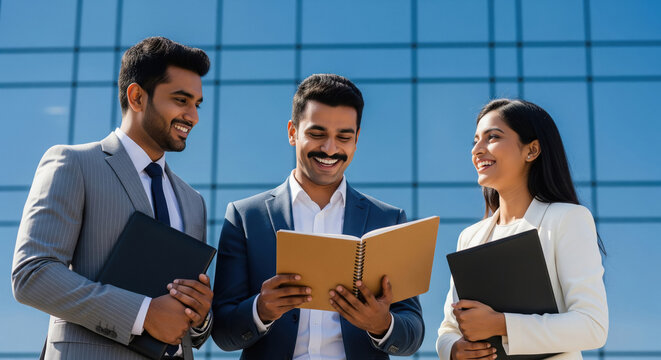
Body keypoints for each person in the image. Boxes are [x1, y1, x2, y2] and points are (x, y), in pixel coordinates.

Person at [12, 37, 214, 360]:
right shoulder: (73, 164)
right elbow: (32, 274)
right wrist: (143, 313)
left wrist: (201, 316)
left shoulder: (193, 202)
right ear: (136, 97)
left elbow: (185, 327)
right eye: (181, 100)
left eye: (197, 104)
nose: (193, 116)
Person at [211, 73, 424, 359]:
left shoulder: (389, 220)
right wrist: (261, 309)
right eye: (317, 134)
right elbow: (222, 331)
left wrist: (381, 324)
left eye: (343, 137)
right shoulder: (245, 217)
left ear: (357, 139)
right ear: (292, 132)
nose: (330, 148)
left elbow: (412, 333)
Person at [436, 99, 608, 360]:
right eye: (475, 141)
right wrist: (454, 350)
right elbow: (449, 329)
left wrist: (501, 324)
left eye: (492, 137)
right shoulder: (470, 237)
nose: (477, 150)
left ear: (532, 150)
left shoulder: (567, 219)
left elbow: (592, 325)